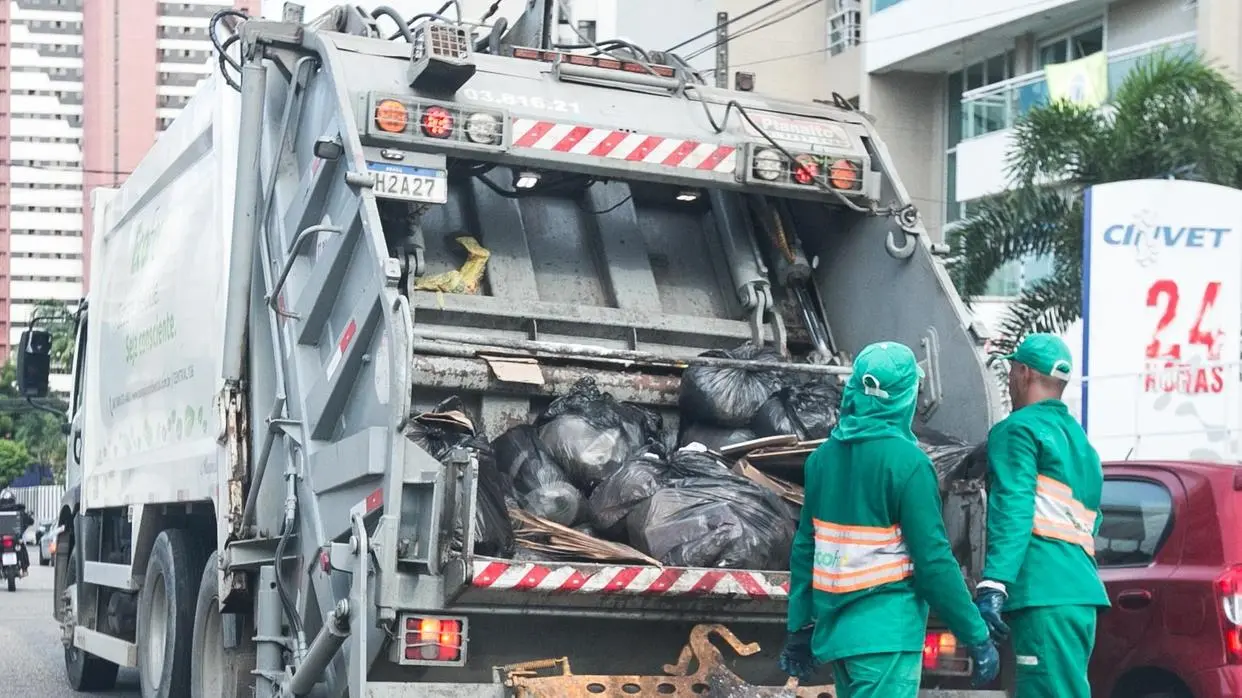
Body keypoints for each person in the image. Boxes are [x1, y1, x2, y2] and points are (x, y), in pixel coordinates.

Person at [780, 341, 999, 697]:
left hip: (839, 636)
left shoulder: (821, 460)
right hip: (886, 636)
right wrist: (975, 633)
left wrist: (799, 625)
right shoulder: (909, 464)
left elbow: (806, 547)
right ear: (904, 398)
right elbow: (933, 562)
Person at [974, 333, 1109, 698]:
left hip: (1044, 594)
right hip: (1079, 596)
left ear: (1021, 372)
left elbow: (1013, 506)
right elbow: (1091, 521)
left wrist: (994, 582)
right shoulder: (1084, 447)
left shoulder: (1017, 430)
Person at [0, 488, 33, 576]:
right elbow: (30, 521)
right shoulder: (19, 509)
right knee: (22, 546)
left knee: (22, 546)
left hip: (10, 538)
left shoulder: (19, 511)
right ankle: (25, 569)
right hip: (15, 538)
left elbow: (29, 520)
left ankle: (24, 568)